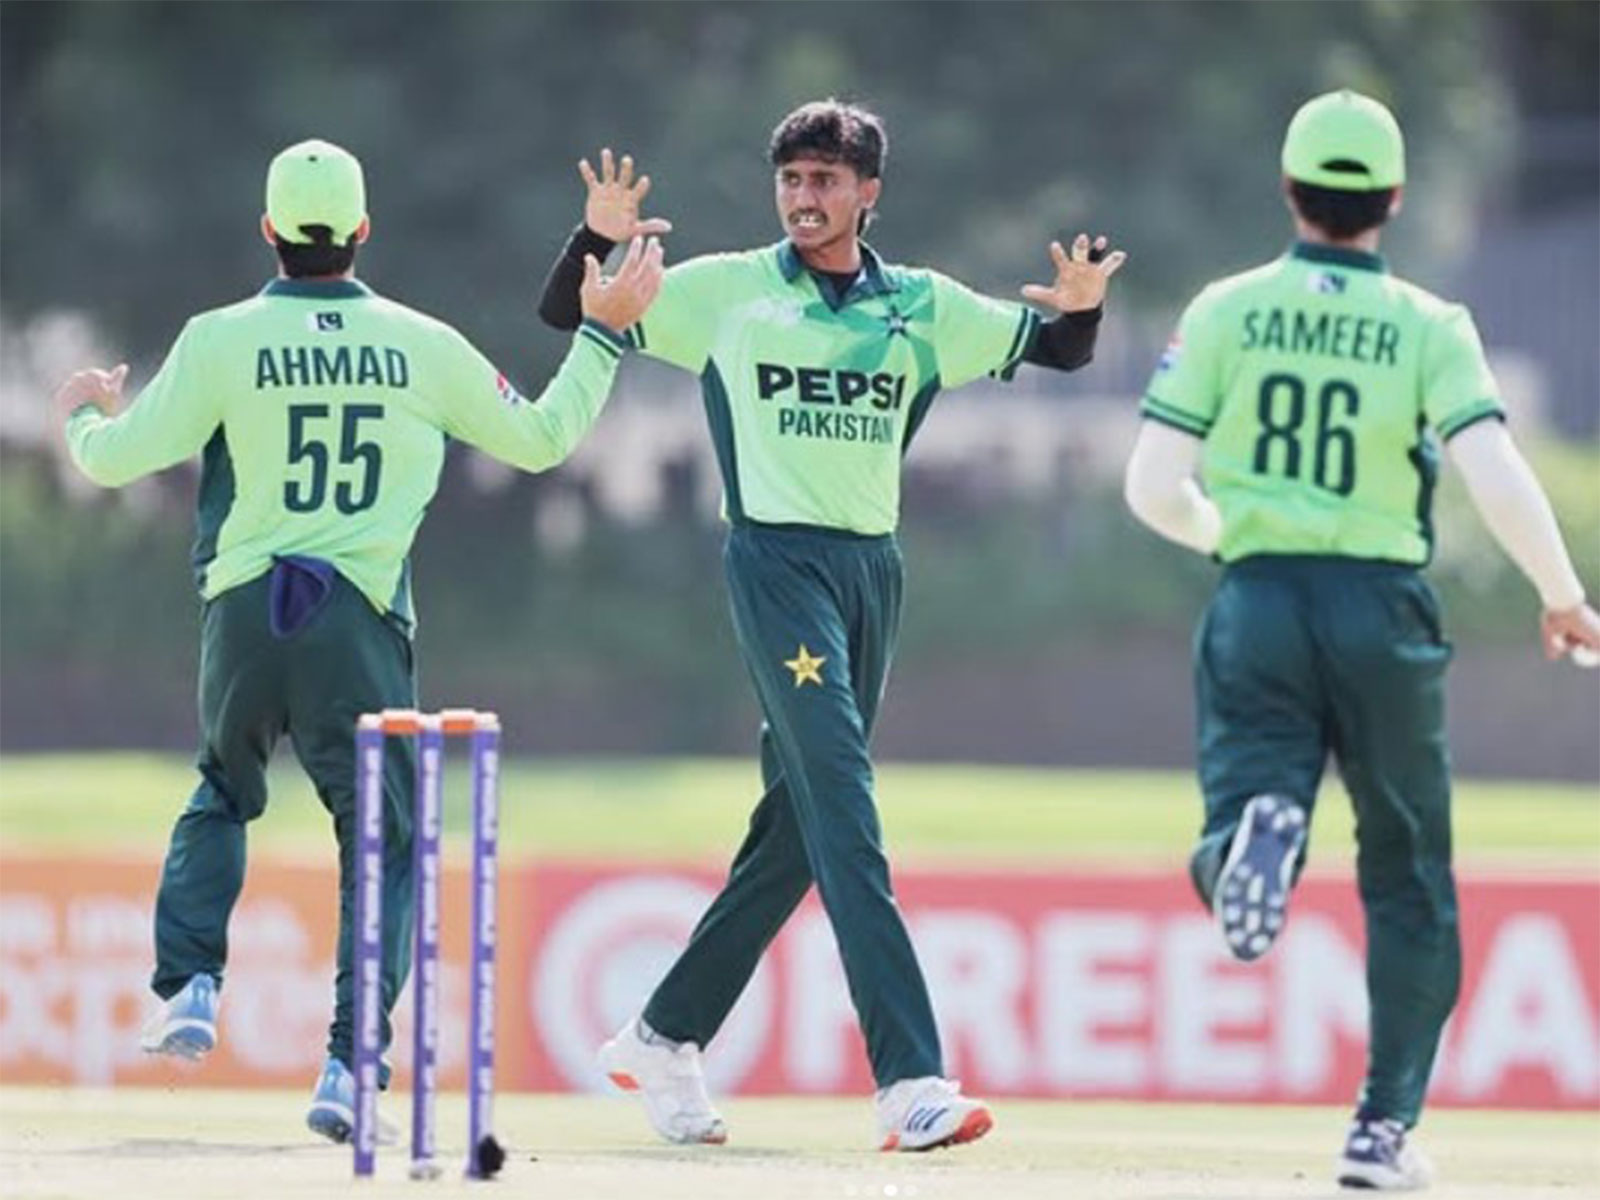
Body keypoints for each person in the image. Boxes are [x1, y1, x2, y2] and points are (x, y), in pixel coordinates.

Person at [538, 100, 1126, 1152]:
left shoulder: (922, 306)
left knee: (801, 830)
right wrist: (596, 234)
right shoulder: (726, 293)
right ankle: (910, 1081)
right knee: (846, 810)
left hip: (871, 570)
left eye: (824, 180)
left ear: (868, 192)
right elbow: (568, 310)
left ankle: (664, 1032)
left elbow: (1062, 352)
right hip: (776, 564)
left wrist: (1082, 307)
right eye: (791, 180)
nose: (804, 199)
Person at [56, 138, 663, 1142]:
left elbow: (119, 460)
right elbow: (545, 437)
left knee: (222, 787)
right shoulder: (425, 345)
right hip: (359, 618)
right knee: (382, 840)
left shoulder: (219, 338)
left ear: (270, 234)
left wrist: (83, 416)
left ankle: (191, 987)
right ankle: (346, 1067)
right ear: (362, 233)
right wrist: (599, 338)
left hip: (247, 609)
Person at [1123, 90, 1600, 1191]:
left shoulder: (1226, 309)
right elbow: (1493, 472)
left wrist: (1228, 538)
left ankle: (1257, 842)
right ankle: (1380, 1131)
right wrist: (1562, 592)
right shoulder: (1430, 326)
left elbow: (1152, 484)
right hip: (1382, 606)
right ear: (1392, 198)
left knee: (1235, 813)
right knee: (1409, 875)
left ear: (1289, 190)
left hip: (1258, 601)